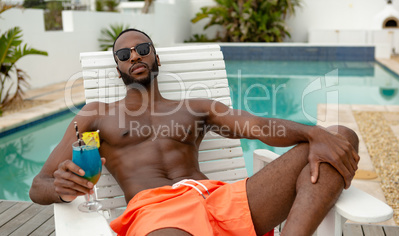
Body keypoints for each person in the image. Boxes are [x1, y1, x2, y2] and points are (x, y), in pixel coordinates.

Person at [29, 28, 359, 236]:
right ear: (118, 69)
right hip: (156, 213)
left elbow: (258, 126)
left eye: (142, 48)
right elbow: (38, 186)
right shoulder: (97, 114)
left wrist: (315, 133)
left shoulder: (196, 107)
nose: (134, 56)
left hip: (219, 198)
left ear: (156, 57)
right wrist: (62, 188)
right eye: (123, 54)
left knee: (340, 135)